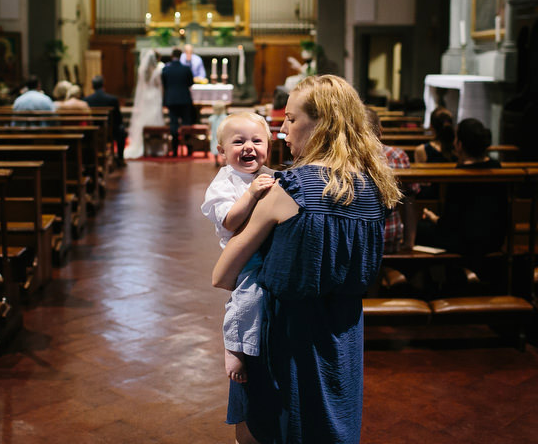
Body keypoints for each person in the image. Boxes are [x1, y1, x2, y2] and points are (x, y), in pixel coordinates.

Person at [212, 75, 401, 444]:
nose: (282, 131)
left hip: (288, 339)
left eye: (291, 119)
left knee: (271, 431)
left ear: (323, 123)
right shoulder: (376, 189)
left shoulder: (290, 188)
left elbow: (222, 274)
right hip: (343, 333)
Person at [201, 113, 275, 385]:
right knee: (248, 296)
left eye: (257, 140)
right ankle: (233, 345)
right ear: (221, 151)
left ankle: (259, 341)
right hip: (244, 254)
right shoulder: (224, 183)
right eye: (238, 141)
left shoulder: (266, 174)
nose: (248, 147)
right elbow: (230, 221)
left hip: (267, 249)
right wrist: (252, 194)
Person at [421, 118, 507, 272]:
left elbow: (449, 223)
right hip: (494, 239)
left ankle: (428, 284)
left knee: (420, 229)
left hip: (466, 243)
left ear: (459, 145)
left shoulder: (460, 174)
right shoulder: (496, 167)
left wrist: (433, 218)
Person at [366, 107, 419, 253]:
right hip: (389, 238)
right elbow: (409, 201)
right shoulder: (396, 155)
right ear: (380, 131)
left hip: (357, 242)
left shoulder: (343, 159)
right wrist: (410, 242)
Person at [126, 49, 165, 159]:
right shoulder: (157, 70)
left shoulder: (141, 70)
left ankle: (143, 146)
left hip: (145, 96)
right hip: (154, 96)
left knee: (144, 119)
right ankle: (155, 148)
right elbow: (159, 85)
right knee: (155, 120)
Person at [84, 75, 128, 167]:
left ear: (92, 86)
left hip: (93, 131)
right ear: (103, 85)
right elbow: (118, 118)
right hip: (110, 131)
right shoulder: (112, 99)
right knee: (122, 131)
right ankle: (120, 158)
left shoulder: (87, 100)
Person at [161, 48, 194, 156]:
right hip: (184, 99)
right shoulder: (186, 68)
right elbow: (190, 83)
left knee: (173, 124)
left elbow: (164, 84)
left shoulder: (166, 69)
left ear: (171, 56)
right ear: (181, 56)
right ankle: (189, 150)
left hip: (172, 100)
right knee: (187, 124)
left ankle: (174, 150)